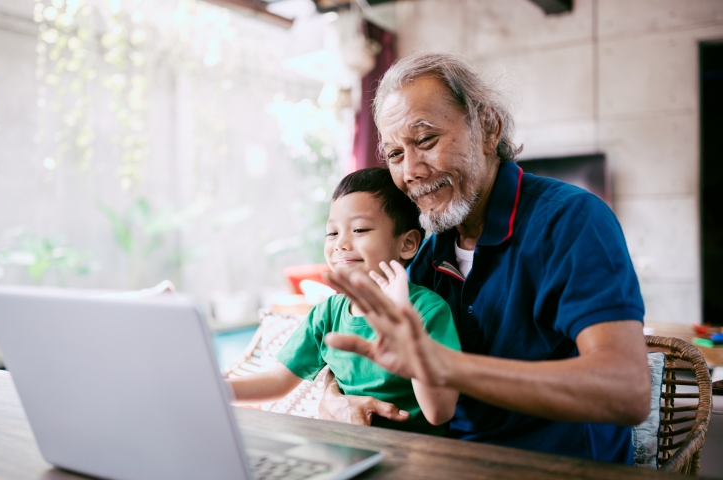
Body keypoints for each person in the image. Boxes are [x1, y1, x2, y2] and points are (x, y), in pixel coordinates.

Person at [318, 52, 651, 464]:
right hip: (447, 464)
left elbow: (626, 392)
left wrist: (446, 365)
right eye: (395, 155)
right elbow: (369, 356)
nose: (411, 172)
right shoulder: (427, 248)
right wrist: (332, 400)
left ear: (488, 128)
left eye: (425, 141)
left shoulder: (571, 220)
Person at [226, 168, 462, 436]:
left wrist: (407, 333)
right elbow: (278, 380)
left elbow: (439, 412)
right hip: (350, 447)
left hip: (415, 454)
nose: (340, 244)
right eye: (332, 233)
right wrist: (215, 389)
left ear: (407, 243)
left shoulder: (427, 310)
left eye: (359, 229)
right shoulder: (328, 313)